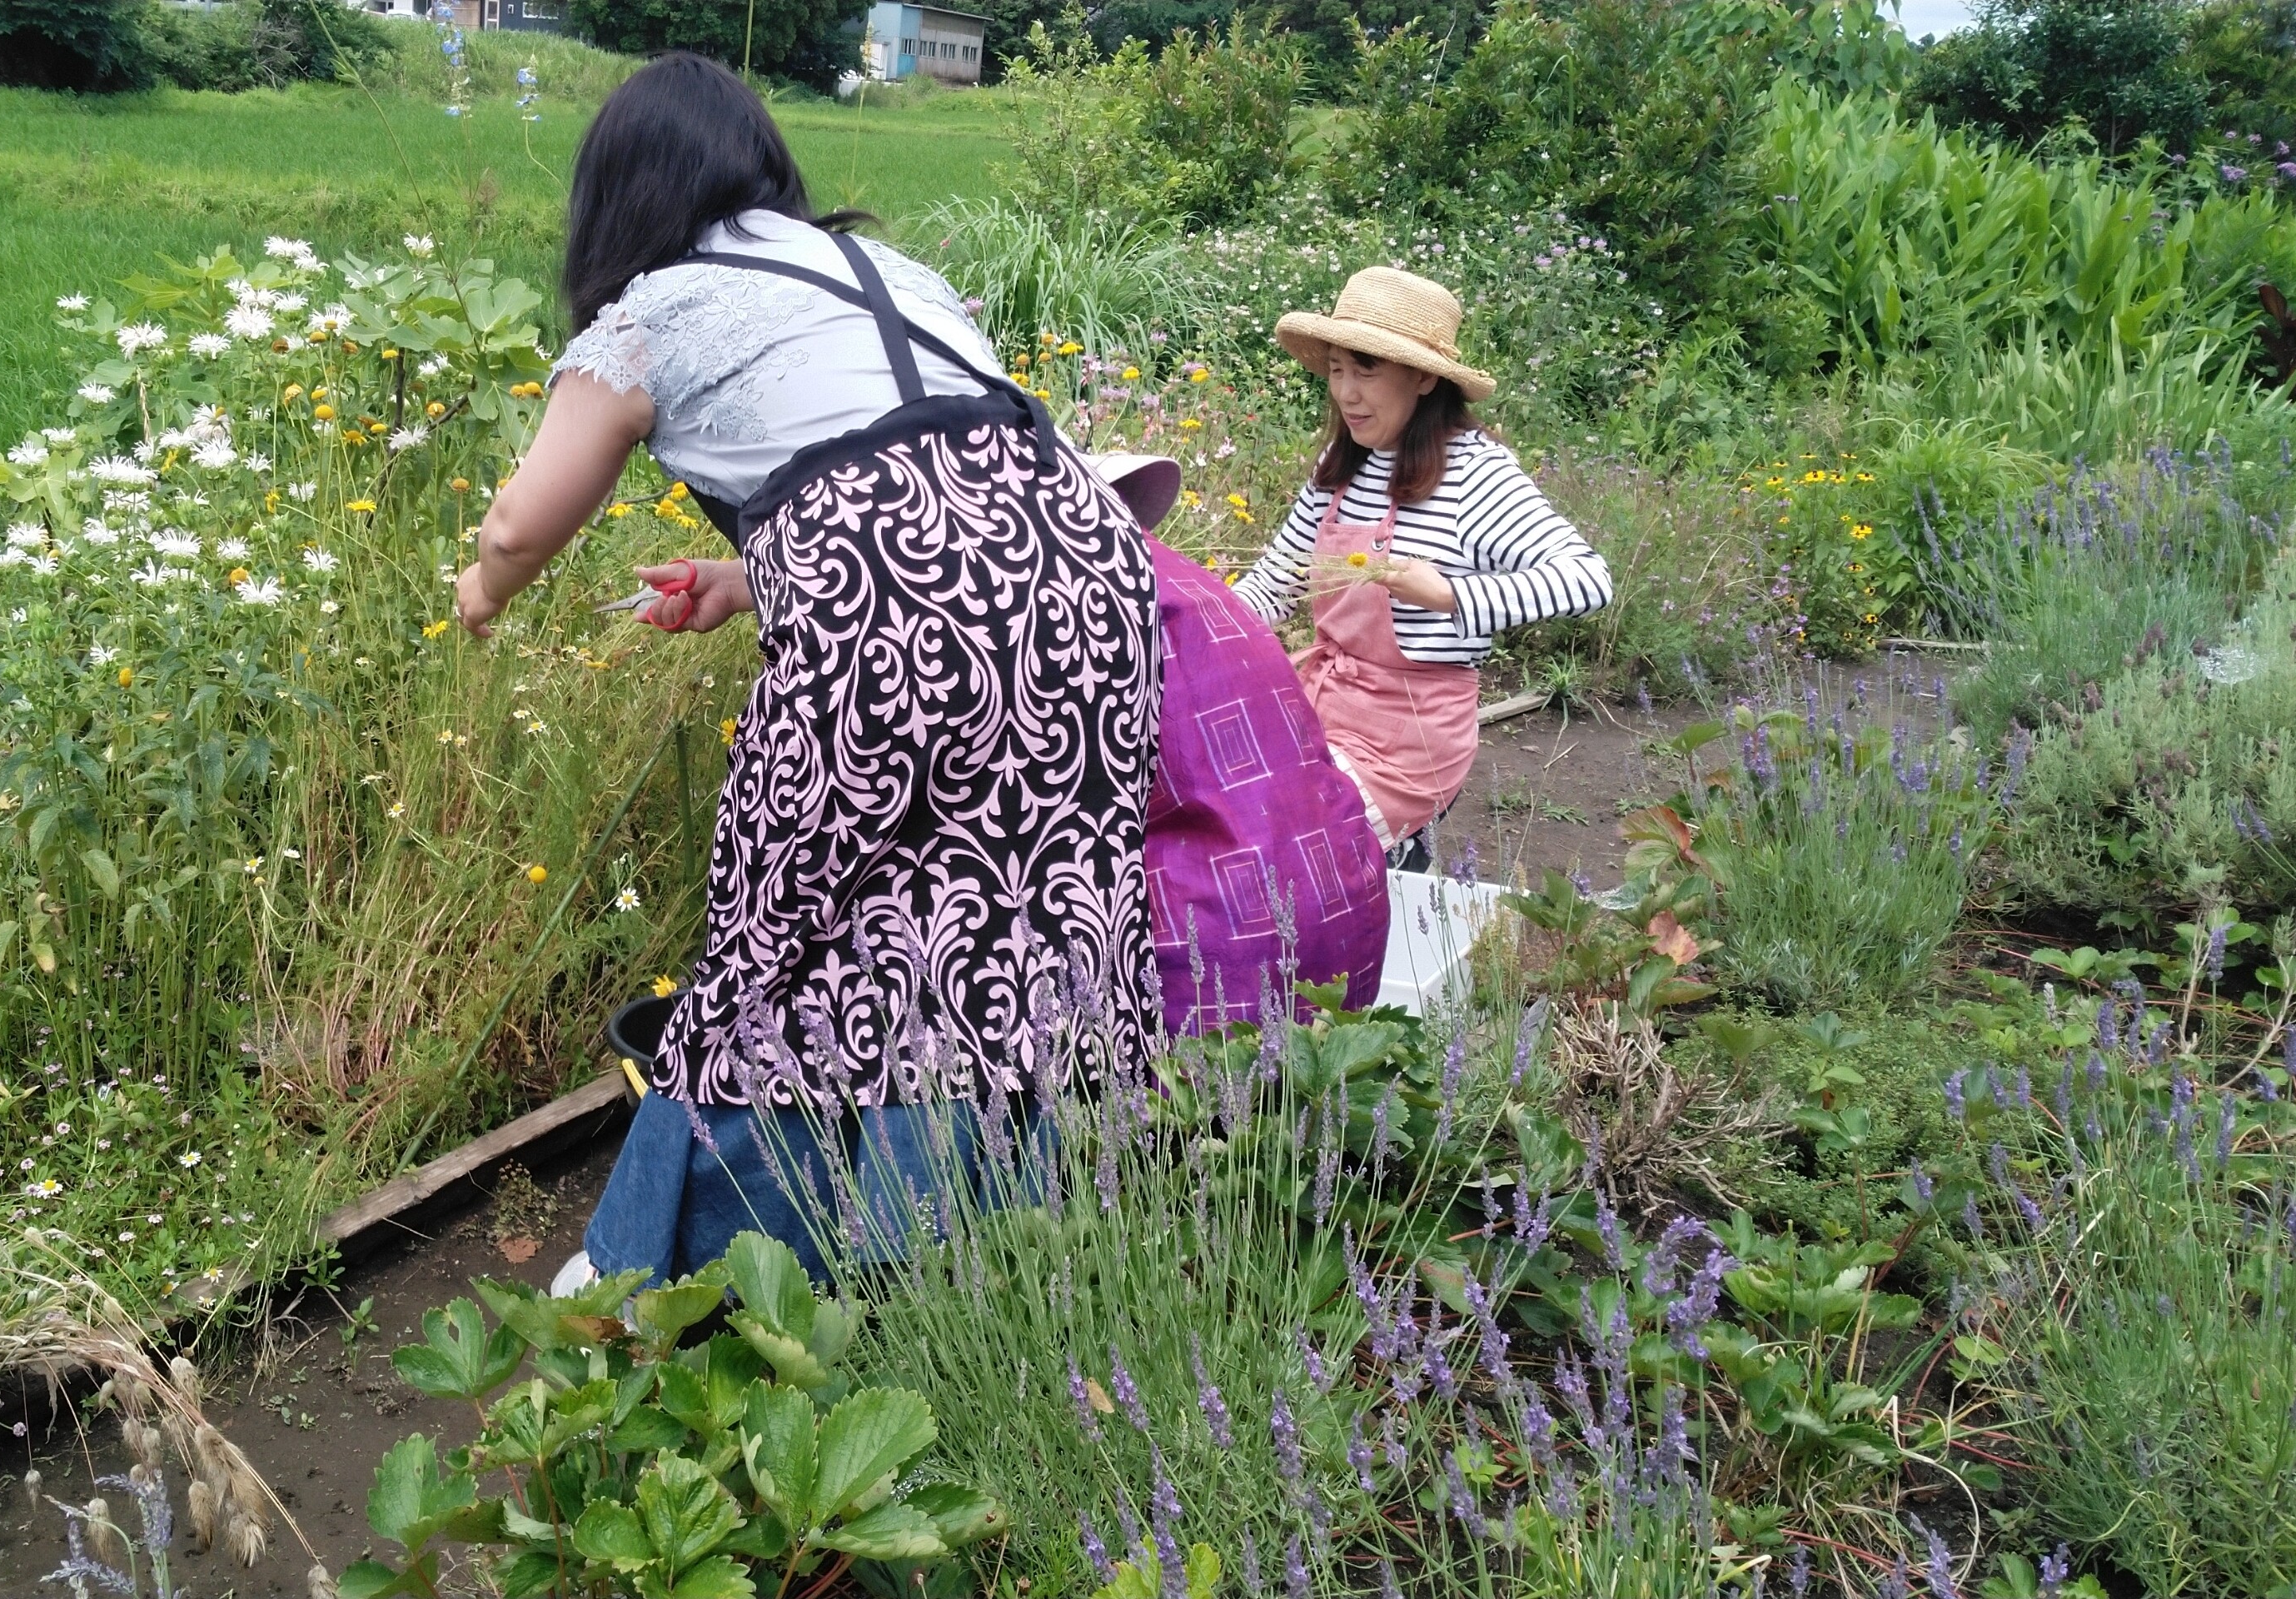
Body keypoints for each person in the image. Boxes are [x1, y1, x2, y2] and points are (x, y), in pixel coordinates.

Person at [453, 53, 1162, 1284]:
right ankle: (994, 1249)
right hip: (1092, 581)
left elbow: (520, 526)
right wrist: (746, 579)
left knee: (783, 938)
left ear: (621, 195)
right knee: (1015, 919)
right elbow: (934, 479)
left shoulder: (652, 312)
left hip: (887, 621)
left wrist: (476, 595)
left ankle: (659, 1268)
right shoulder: (895, 271)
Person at [1226, 268, 1614, 871]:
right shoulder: (1342, 465)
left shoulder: (1474, 474)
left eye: (1366, 370)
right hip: (1323, 711)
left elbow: (1587, 578)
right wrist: (1197, 623)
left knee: (1287, 848)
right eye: (1336, 369)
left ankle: (1392, 863)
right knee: (1211, 807)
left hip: (1409, 741)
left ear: (1425, 376)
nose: (1346, 393)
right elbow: (1274, 584)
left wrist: (1452, 594)